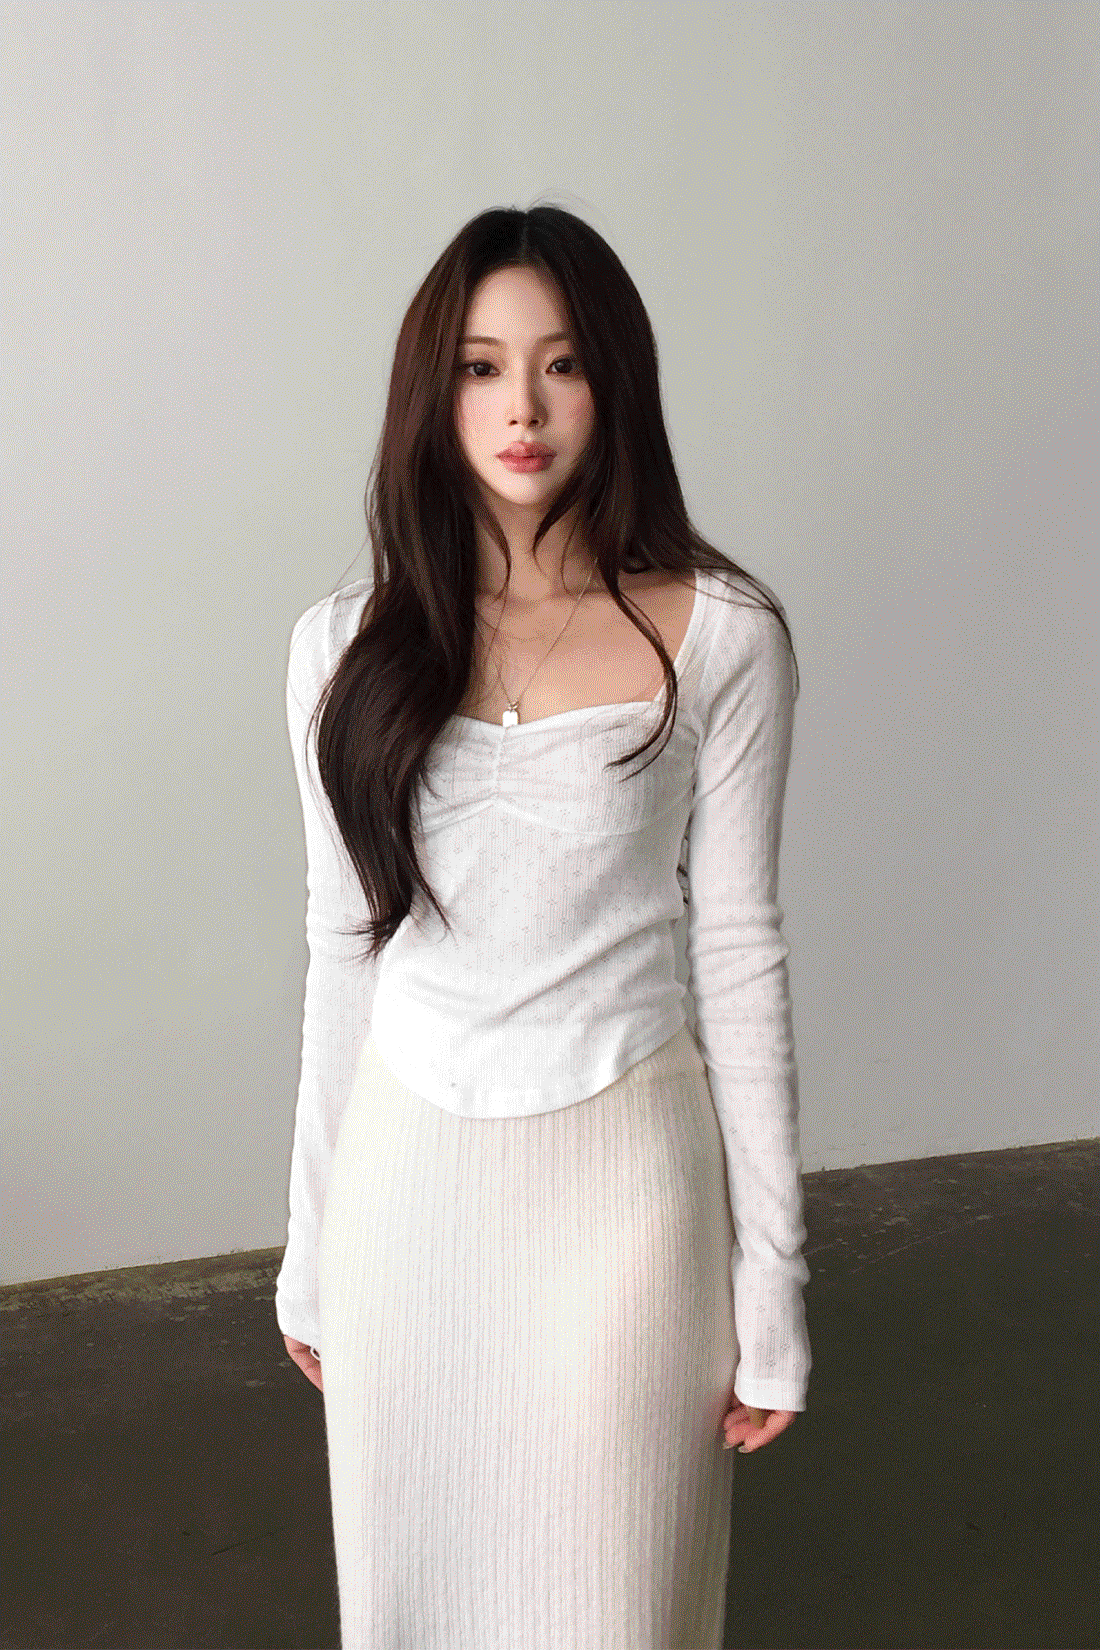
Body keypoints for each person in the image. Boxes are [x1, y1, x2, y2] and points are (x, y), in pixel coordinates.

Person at [275, 204, 811, 1650]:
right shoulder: (342, 651)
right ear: (431, 392)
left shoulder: (722, 636)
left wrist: (773, 1283)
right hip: (406, 1203)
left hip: (628, 1204)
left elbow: (741, 955)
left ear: (614, 381)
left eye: (562, 364)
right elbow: (342, 949)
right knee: (416, 1606)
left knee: (620, 1606)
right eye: (481, 366)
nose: (522, 407)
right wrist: (310, 1246)